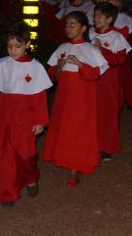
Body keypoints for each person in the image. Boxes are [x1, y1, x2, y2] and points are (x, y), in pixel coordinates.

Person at [0, 22, 51, 207]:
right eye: (9, 46)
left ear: (26, 45)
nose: (13, 50)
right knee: (5, 153)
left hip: (27, 117)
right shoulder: (2, 64)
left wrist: (40, 120)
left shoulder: (36, 67)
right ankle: (7, 192)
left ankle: (30, 177)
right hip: (6, 116)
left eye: (17, 46)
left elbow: (39, 95)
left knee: (26, 153)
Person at [42, 11, 109, 187]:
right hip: (64, 96)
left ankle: (75, 168)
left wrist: (80, 64)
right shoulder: (62, 48)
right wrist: (59, 67)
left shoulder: (90, 49)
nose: (69, 28)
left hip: (82, 97)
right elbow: (53, 76)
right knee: (65, 126)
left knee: (79, 128)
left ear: (83, 28)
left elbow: (95, 74)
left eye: (73, 24)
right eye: (67, 24)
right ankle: (65, 157)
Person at [89, 1, 132, 160]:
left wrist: (102, 50)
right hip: (93, 79)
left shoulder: (117, 37)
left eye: (100, 16)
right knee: (93, 111)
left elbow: (120, 59)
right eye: (95, 15)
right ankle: (93, 144)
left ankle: (107, 147)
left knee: (108, 112)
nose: (96, 18)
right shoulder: (91, 34)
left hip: (109, 81)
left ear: (109, 19)